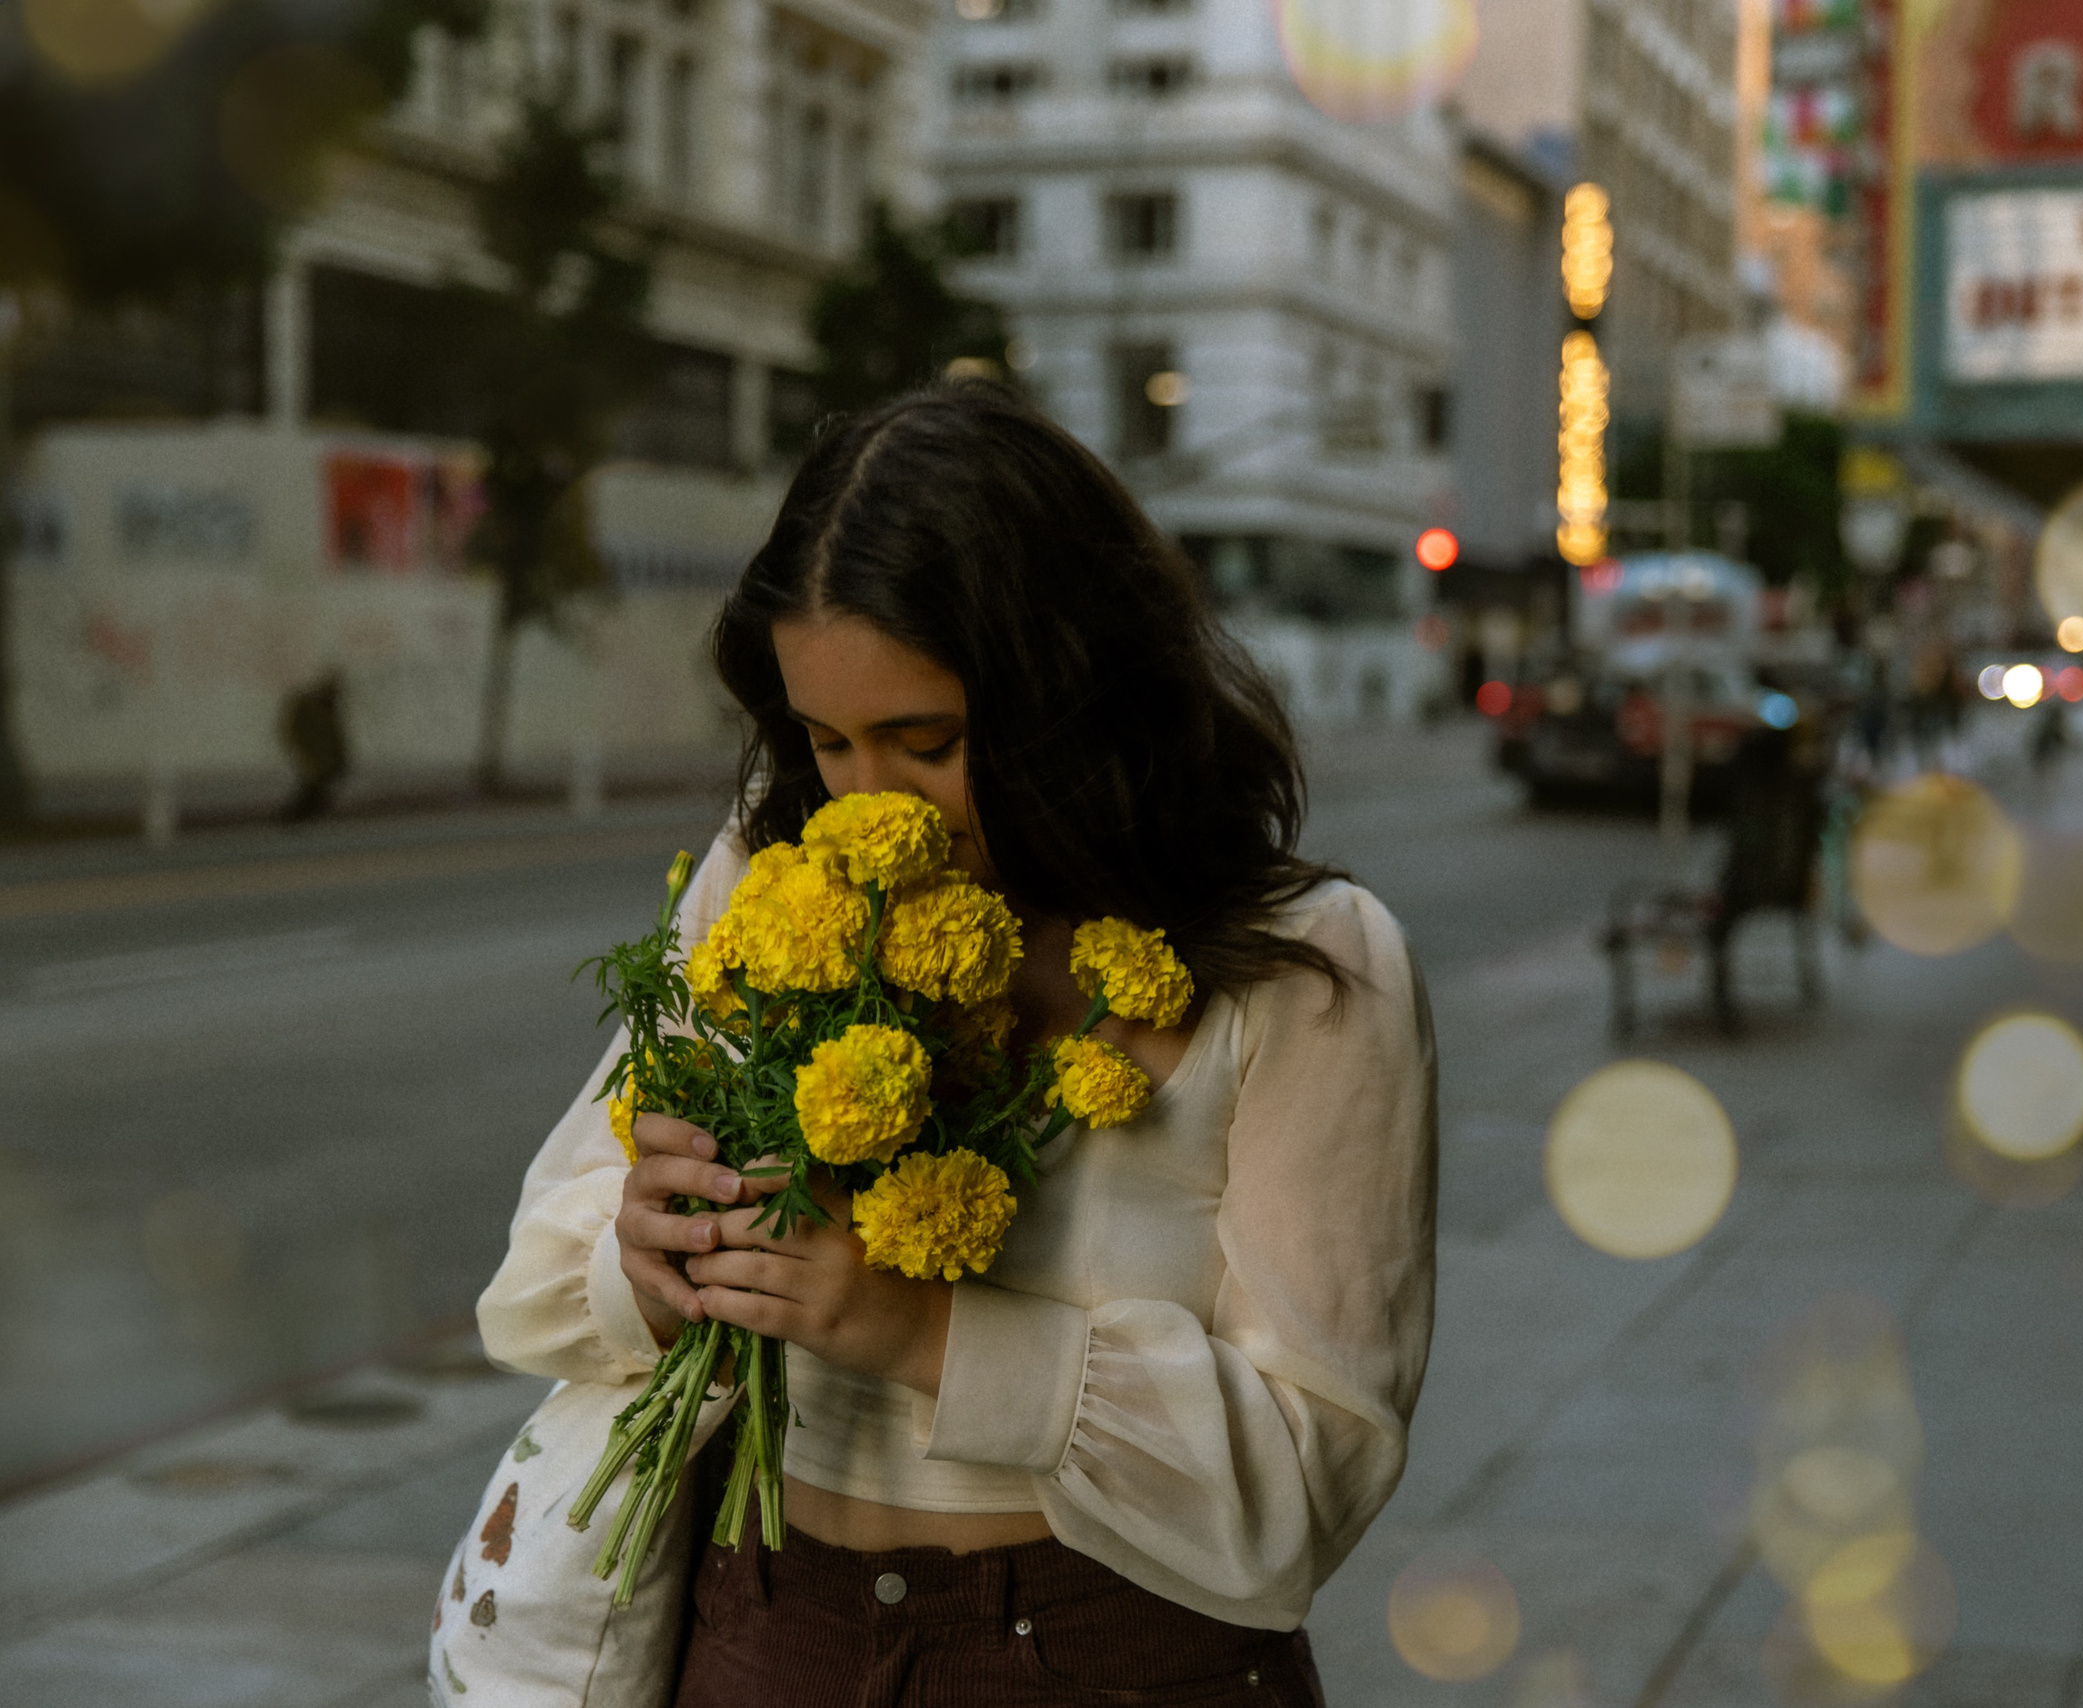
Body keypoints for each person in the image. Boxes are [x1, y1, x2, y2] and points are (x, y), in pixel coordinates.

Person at [476, 382, 1439, 1707]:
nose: (869, 803)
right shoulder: (780, 875)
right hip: (763, 1634)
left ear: (1072, 695)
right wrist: (647, 1262)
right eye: (825, 743)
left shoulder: (1310, 970)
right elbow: (535, 1275)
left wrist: (926, 1331)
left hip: (1114, 1660)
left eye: (923, 742)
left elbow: (1309, 1481)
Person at [278, 669, 348, 822]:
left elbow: (335, 738)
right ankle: (295, 815)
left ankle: (304, 814)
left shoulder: (326, 709)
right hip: (315, 758)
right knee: (312, 788)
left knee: (316, 788)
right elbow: (294, 730)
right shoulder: (309, 706)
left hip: (323, 759)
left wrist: (340, 757)